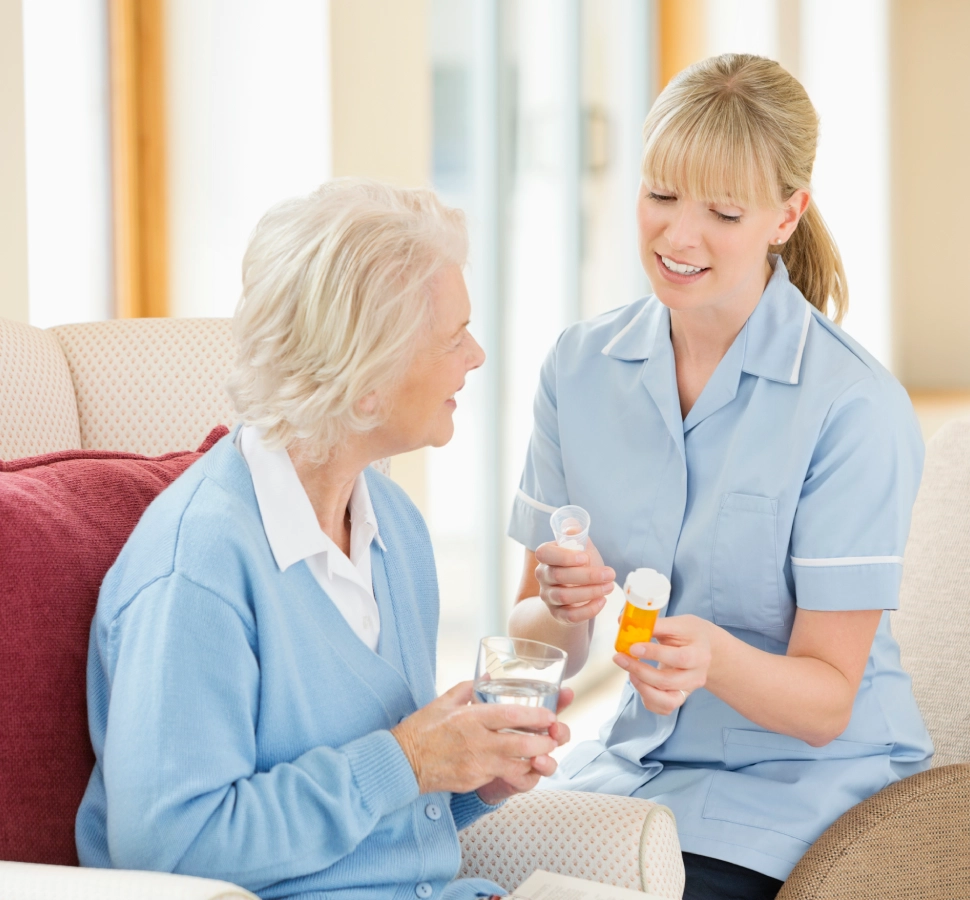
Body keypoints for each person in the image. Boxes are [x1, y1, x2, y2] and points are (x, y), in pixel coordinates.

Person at [507, 54, 932, 900]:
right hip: (629, 772)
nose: (678, 236)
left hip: (796, 794)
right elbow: (538, 648)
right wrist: (558, 610)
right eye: (660, 195)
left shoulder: (851, 406)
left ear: (787, 215)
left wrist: (715, 660)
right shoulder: (578, 368)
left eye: (723, 212)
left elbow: (824, 703)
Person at [76, 179, 572, 900]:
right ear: (365, 382)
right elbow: (171, 851)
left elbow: (382, 816)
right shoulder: (199, 565)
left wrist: (473, 775)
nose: (476, 355)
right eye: (452, 336)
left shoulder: (395, 530)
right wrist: (405, 761)